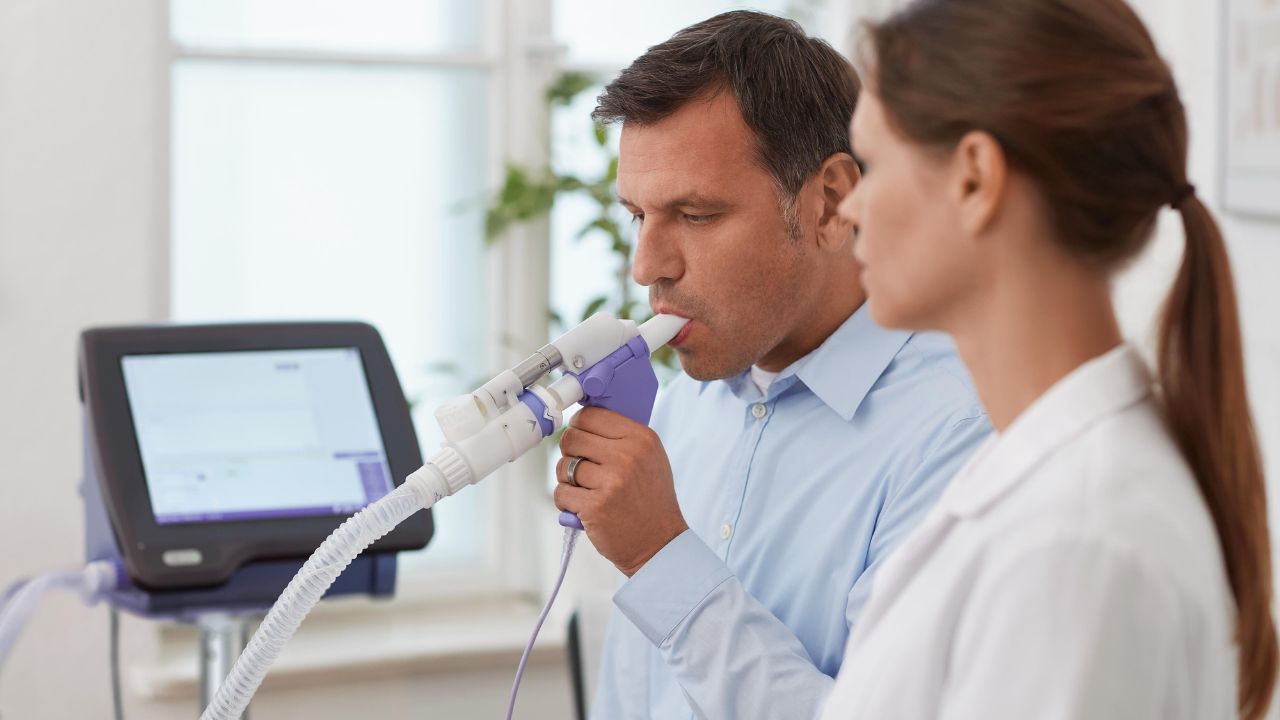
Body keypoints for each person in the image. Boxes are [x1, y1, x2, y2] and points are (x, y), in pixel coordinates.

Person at [820, 0, 1279, 718]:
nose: (850, 209)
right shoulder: (1050, 480)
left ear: (975, 178)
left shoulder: (1073, 545)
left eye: (873, 164)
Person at [550, 11, 991, 719]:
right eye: (637, 215)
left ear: (832, 202)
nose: (647, 266)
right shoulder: (681, 410)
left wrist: (661, 559)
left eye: (696, 215)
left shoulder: (958, 440)